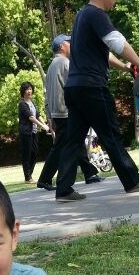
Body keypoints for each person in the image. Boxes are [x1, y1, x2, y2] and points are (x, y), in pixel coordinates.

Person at [54, 0, 139, 202]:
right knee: (110, 133)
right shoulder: (97, 14)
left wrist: (126, 67)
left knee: (73, 140)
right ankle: (132, 180)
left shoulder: (82, 16)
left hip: (74, 88)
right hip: (92, 87)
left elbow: (105, 52)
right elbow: (118, 43)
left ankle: (63, 189)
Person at [37, 34, 103, 191]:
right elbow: (74, 86)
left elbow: (48, 94)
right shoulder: (65, 63)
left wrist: (49, 115)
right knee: (62, 146)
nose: (72, 45)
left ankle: (89, 173)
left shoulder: (52, 66)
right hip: (66, 111)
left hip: (58, 111)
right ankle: (45, 179)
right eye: (69, 43)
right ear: (61, 46)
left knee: (75, 142)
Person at [18, 82, 49, 184]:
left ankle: (29, 175)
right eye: (27, 89)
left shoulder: (32, 102)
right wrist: (42, 126)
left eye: (30, 89)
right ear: (23, 91)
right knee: (26, 155)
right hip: (26, 133)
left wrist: (45, 124)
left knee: (35, 153)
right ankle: (28, 177)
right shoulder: (22, 104)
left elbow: (37, 115)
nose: (29, 91)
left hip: (34, 132)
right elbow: (31, 117)